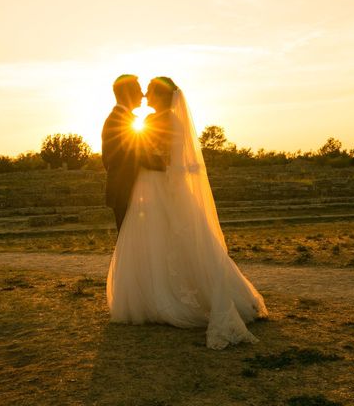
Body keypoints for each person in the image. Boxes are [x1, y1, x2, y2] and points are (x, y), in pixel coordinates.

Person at [106, 77, 268, 350]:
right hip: (150, 189)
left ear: (162, 96)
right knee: (157, 242)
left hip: (154, 186)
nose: (145, 95)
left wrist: (149, 159)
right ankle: (157, 297)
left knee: (160, 240)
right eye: (142, 91)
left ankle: (160, 299)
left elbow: (161, 158)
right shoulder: (163, 120)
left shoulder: (163, 121)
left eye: (150, 91)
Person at [101, 74, 165, 232]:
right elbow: (135, 154)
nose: (143, 95)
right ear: (127, 92)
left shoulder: (123, 118)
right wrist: (166, 165)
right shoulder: (119, 120)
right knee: (128, 241)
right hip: (125, 190)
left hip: (125, 189)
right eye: (138, 89)